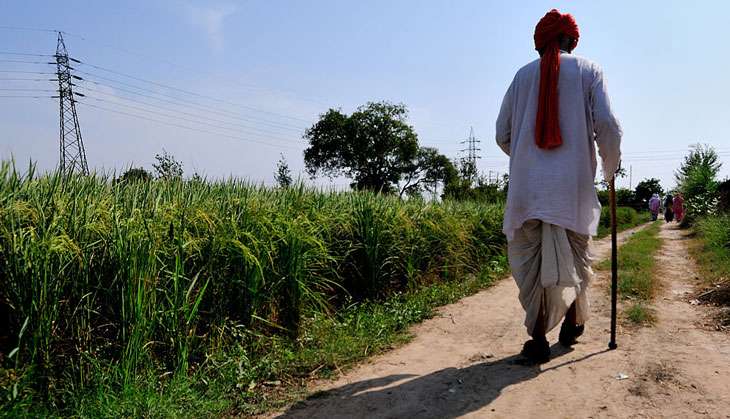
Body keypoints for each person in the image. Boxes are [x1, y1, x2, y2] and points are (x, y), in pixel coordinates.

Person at [496, 9, 621, 363]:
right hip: (573, 189)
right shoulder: (588, 70)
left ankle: (537, 341)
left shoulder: (521, 77)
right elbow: (608, 126)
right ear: (571, 40)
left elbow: (502, 133)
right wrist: (609, 166)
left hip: (526, 191)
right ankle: (570, 324)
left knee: (532, 268)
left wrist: (525, 158)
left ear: (541, 44)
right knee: (573, 259)